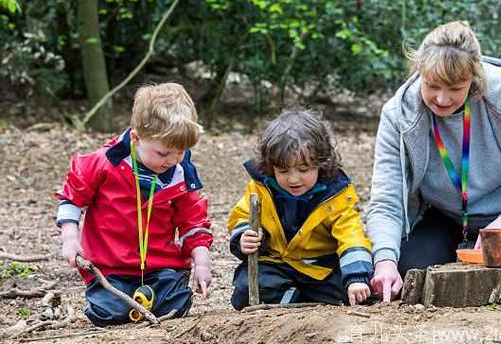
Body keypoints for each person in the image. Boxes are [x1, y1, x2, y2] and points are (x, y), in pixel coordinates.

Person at [367, 21, 501, 302]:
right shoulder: (399, 113)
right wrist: (384, 260)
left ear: (474, 77)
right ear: (419, 71)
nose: (442, 99)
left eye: (455, 88)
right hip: (444, 218)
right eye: (432, 86)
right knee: (409, 269)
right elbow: (386, 201)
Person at [56, 83, 213, 326]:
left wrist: (201, 261)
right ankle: (125, 302)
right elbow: (72, 197)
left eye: (181, 152)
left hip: (161, 266)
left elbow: (192, 219)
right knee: (109, 313)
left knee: (177, 304)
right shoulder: (105, 162)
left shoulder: (181, 171)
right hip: (110, 266)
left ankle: (149, 299)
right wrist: (70, 238)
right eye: (163, 154)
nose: (172, 160)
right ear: (136, 138)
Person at [228, 109, 373, 310]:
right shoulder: (261, 187)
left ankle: (294, 298)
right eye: (283, 171)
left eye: (304, 170)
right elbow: (242, 216)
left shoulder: (336, 194)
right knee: (245, 290)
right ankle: (294, 298)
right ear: (271, 166)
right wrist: (244, 236)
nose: (293, 179)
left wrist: (357, 277)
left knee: (358, 292)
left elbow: (351, 236)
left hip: (319, 268)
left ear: (321, 163)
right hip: (276, 263)